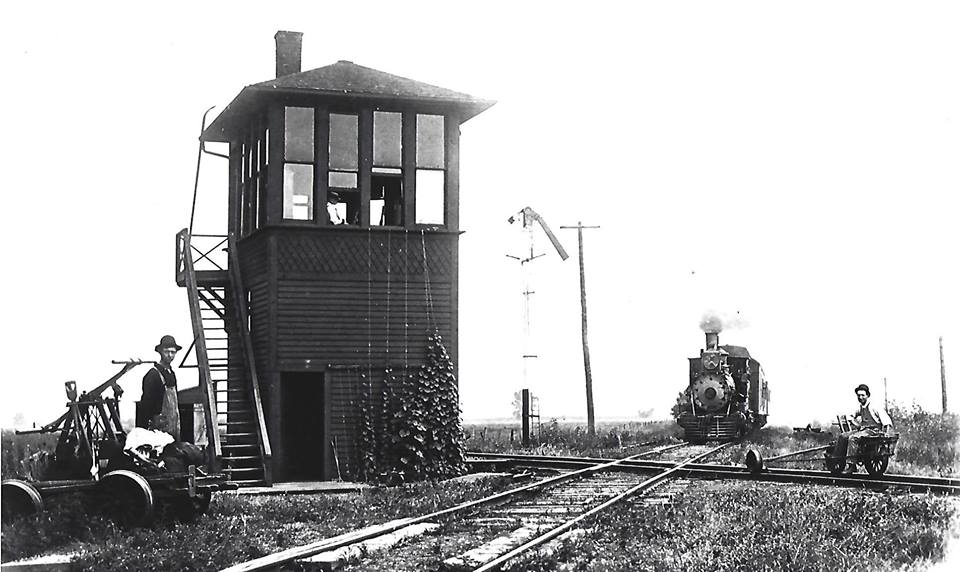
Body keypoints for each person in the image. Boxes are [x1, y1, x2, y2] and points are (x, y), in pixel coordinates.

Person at [838, 383, 893, 471]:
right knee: (843, 436)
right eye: (858, 395)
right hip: (864, 430)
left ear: (867, 395)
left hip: (874, 431)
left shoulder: (874, 406)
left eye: (863, 395)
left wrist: (886, 432)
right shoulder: (861, 407)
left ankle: (851, 465)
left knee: (853, 438)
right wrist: (857, 424)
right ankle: (839, 460)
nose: (860, 397)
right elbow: (850, 416)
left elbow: (886, 420)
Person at [139, 335, 182, 440]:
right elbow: (146, 405)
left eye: (173, 352)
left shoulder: (172, 374)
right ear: (160, 352)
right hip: (159, 429)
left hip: (174, 425)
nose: (170, 355)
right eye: (167, 352)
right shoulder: (153, 375)